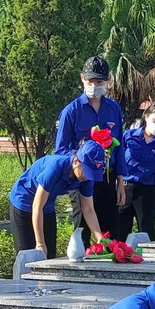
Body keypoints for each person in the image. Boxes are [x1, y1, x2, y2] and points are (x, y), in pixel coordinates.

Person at [56, 56, 126, 244]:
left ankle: (112, 258)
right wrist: (81, 157)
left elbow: (120, 145)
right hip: (82, 176)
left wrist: (121, 180)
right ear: (82, 78)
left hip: (107, 176)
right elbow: (61, 150)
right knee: (83, 229)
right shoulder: (71, 111)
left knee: (112, 229)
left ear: (108, 80)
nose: (94, 86)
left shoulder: (114, 109)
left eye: (99, 82)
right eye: (90, 81)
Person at [8, 141, 107, 256]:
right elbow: (37, 206)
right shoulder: (54, 168)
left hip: (47, 205)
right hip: (24, 202)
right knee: (27, 255)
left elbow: (88, 209)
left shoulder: (86, 178)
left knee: (49, 255)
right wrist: (40, 243)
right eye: (86, 171)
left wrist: (99, 238)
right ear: (76, 161)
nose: (87, 177)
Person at [120, 100, 155, 241]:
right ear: (146, 117)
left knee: (146, 233)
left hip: (146, 191)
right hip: (124, 189)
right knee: (119, 232)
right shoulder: (128, 136)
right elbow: (116, 162)